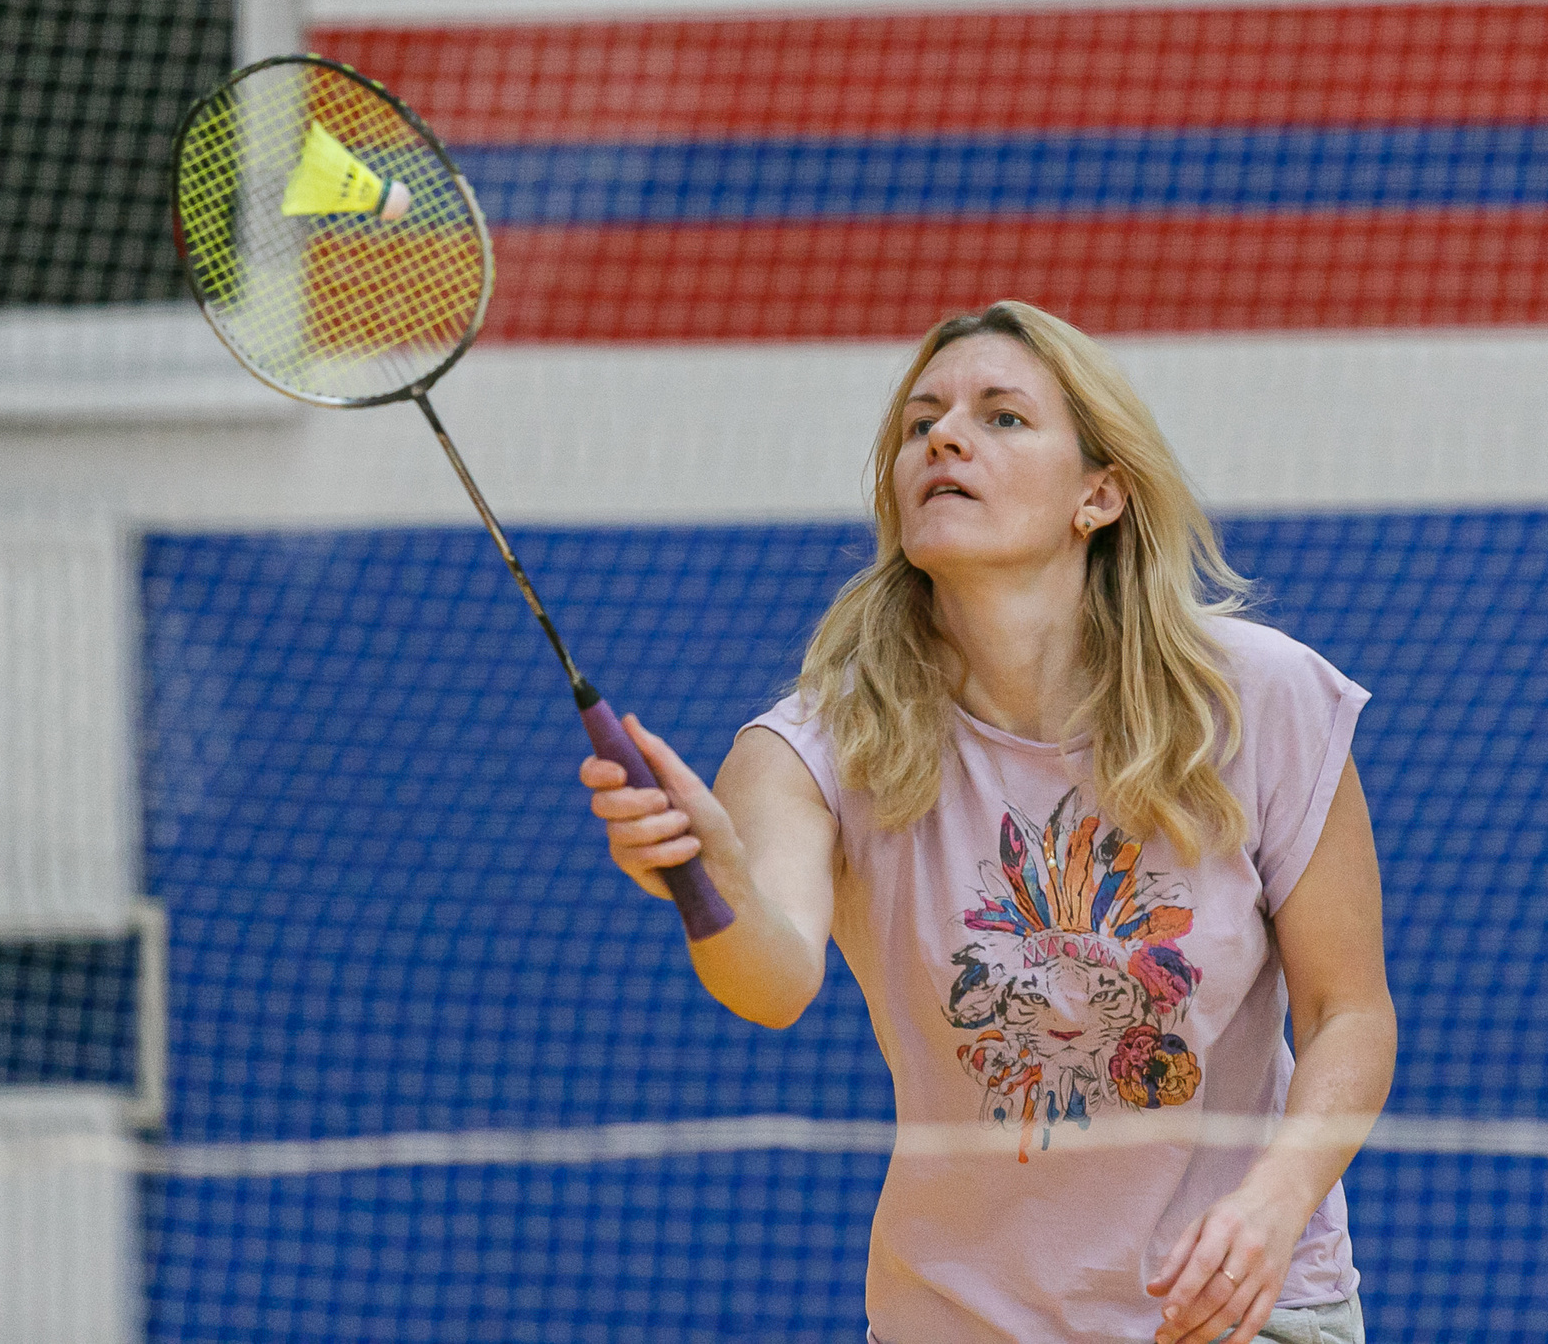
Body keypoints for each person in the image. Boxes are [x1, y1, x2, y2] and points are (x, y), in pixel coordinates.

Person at [583, 300, 1396, 1344]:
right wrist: (707, 880)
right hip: (962, 1323)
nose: (945, 438)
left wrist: (1275, 1203)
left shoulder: (1259, 701)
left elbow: (1350, 1014)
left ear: (1097, 494)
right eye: (920, 423)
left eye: (1000, 417)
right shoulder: (812, 749)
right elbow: (774, 983)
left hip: (1240, 1313)